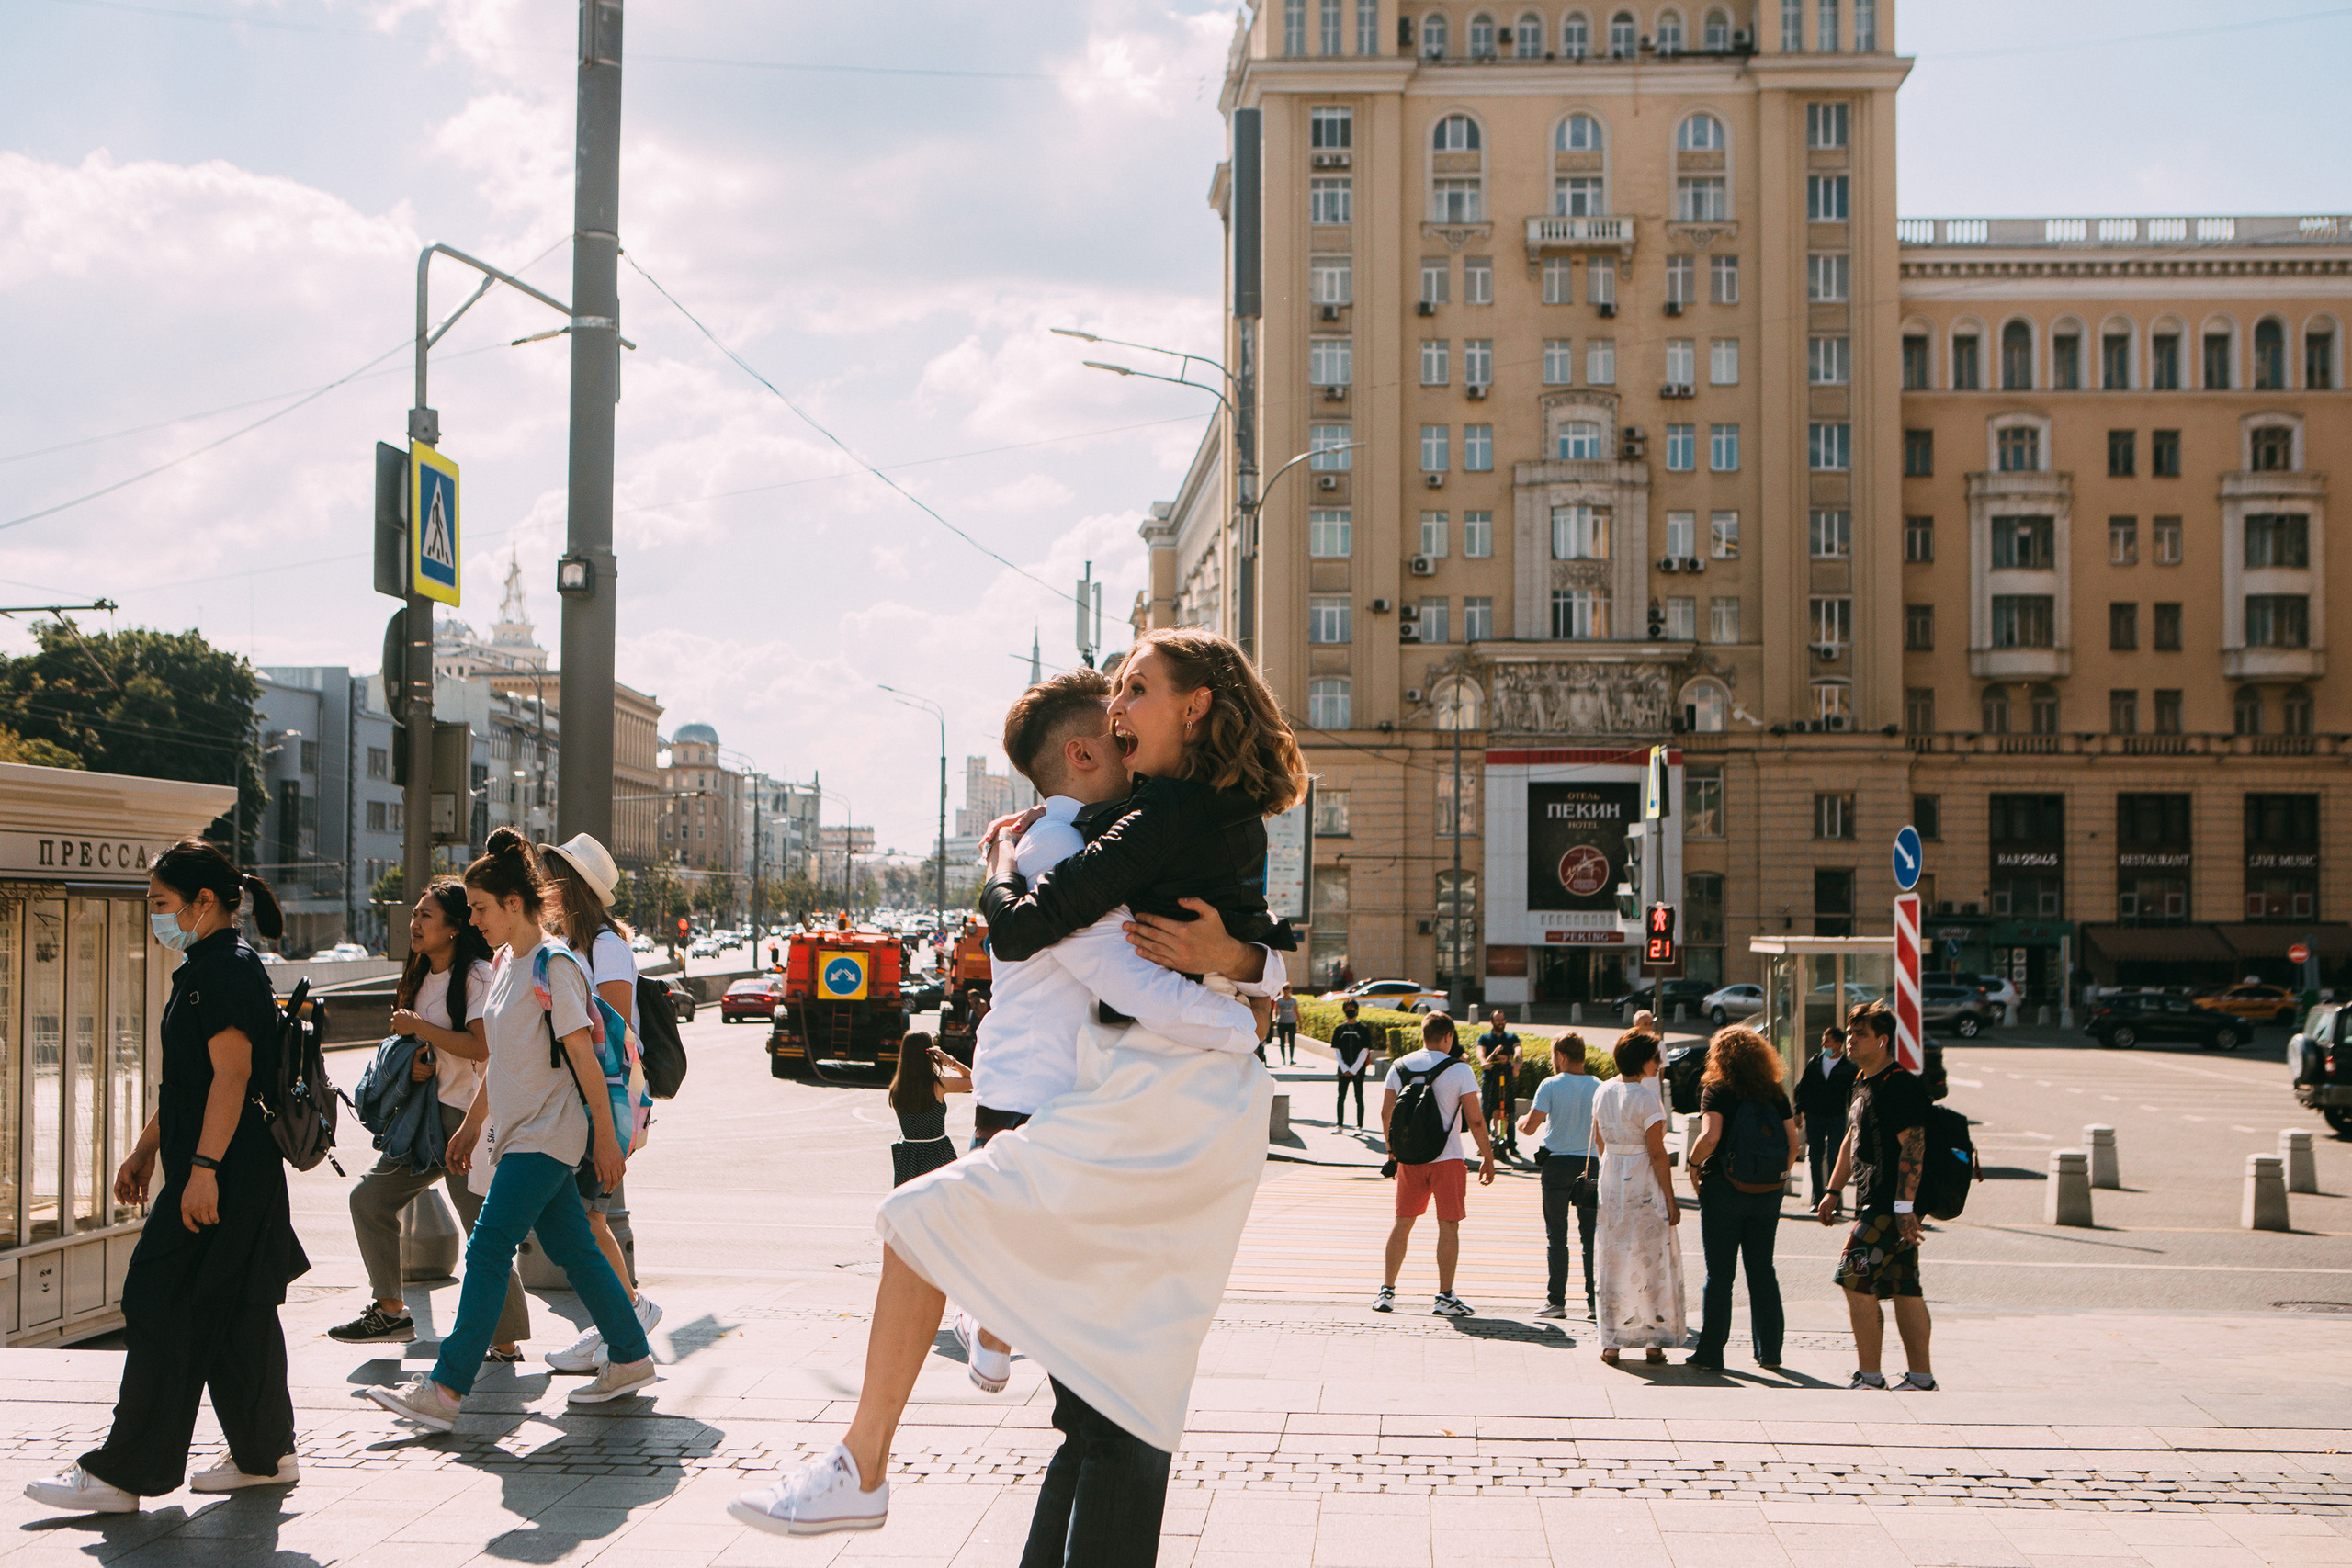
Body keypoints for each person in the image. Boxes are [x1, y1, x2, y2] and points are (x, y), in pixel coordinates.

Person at [729, 634, 1303, 1566]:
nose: (1121, 713)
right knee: (1111, 1394)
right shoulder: (1179, 817)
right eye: (1115, 698)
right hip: (1162, 1105)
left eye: (1138, 693)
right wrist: (1245, 975)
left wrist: (1005, 860)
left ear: (1194, 706)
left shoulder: (1150, 819)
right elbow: (1253, 947)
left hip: (1162, 1107)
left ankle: (863, 1464)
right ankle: (883, 1445)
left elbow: (1047, 930)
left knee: (1069, 1351)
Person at [26, 842, 305, 1514]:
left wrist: (202, 1169)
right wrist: (148, 1148)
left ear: (201, 901)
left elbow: (233, 1076)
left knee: (156, 1297)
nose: (154, 914)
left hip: (224, 1172)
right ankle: (267, 1454)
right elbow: (192, 1082)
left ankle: (124, 1473)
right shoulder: (208, 966)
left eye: (158, 901)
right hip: (222, 1167)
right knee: (237, 1309)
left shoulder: (226, 970)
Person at [367, 829, 656, 1432]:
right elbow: (500, 1060)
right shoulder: (503, 964)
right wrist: (473, 1125)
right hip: (519, 1132)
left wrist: (605, 1138)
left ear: (516, 904)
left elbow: (583, 1058)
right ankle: (630, 1354)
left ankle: (446, 1389)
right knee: (576, 1250)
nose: (473, 920)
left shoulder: (554, 965)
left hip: (549, 1135)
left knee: (488, 1246)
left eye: (480, 908)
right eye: (470, 909)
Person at [328, 883, 529, 1359]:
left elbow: (482, 1048)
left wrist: (420, 1028)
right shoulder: (419, 975)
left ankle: (505, 1341)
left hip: (466, 1120)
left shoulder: (478, 976)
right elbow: (427, 1045)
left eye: (427, 916)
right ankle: (391, 1310)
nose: (415, 924)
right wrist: (416, 1060)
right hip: (423, 1120)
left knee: (481, 1230)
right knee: (369, 1200)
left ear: (456, 928)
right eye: (415, 914)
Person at [534, 833, 663, 1374]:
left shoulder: (607, 947)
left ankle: (627, 1313)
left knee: (584, 1217)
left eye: (551, 877)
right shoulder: (580, 947)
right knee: (585, 1216)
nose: (543, 886)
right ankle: (621, 1316)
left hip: (605, 1100)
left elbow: (608, 1028)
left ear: (573, 887)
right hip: (587, 1099)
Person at [1818, 1006, 1936, 1391]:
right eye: (1850, 1032)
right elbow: (1852, 1139)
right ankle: (1920, 1378)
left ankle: (1869, 1377)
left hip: (1889, 1204)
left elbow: (1914, 1149)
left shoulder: (1898, 1084)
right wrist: (1833, 1190)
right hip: (1877, 1201)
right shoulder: (1862, 1080)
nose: (1850, 1039)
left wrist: (1904, 1208)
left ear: (1882, 1040)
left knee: (1853, 1279)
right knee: (1905, 1288)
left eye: (1860, 1034)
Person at [1684, 1027, 1802, 1371]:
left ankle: (1710, 1352)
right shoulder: (1775, 1092)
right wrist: (1772, 1177)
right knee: (1762, 1270)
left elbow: (1710, 1137)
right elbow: (1793, 1146)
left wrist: (1693, 1166)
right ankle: (1770, 1352)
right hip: (1768, 1194)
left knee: (1719, 1275)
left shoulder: (1716, 1090)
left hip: (1724, 1188)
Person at [1376, 1012, 1495, 1318]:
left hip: (1409, 1159)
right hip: (1448, 1158)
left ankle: (1386, 1292)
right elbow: (1476, 1119)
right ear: (1449, 1037)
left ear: (1423, 1035)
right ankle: (1444, 1297)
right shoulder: (1460, 1070)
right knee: (1448, 1225)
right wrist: (1488, 1156)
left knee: (1403, 1222)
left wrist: (1393, 1153)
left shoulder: (1400, 1066)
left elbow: (1386, 1114)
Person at [1591, 1031, 1685, 1365]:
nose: (1659, 1064)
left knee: (1613, 1257)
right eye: (1654, 1057)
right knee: (1650, 1257)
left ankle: (1612, 1341)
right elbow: (1658, 1153)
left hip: (1612, 1176)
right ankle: (1652, 1340)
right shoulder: (1647, 1099)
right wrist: (1671, 1199)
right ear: (1641, 1060)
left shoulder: (1602, 1090)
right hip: (1642, 1179)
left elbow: (1600, 1138)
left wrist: (1612, 1165)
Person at [1520, 1032, 1600, 1320]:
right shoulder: (1599, 1086)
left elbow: (1530, 1127)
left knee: (1557, 1235)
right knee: (1590, 1237)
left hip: (1557, 1167)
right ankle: (1594, 1304)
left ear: (1562, 1056)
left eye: (1555, 1056)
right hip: (1591, 1166)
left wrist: (1519, 1122)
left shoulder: (1550, 1085)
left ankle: (1556, 1302)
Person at [888, 1032, 971, 1187]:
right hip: (938, 1153)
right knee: (941, 1205)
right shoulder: (938, 1085)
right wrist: (951, 1061)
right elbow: (974, 1080)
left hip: (908, 1158)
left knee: (911, 1206)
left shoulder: (897, 1089)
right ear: (930, 1054)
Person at [1794, 1024, 1856, 1205]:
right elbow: (1803, 1089)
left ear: (1838, 1044)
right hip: (1815, 1116)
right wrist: (1799, 1111)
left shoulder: (1848, 1067)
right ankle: (1817, 1198)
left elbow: (1853, 1095)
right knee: (1815, 1156)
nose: (1823, 1043)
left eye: (1827, 1040)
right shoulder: (1814, 1063)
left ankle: (1835, 1199)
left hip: (1836, 1116)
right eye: (1823, 1040)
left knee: (1835, 1157)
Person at [1476, 1010, 1522, 1159]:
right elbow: (1480, 1052)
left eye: (1502, 1019)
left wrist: (1518, 1062)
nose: (1501, 1022)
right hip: (1491, 1080)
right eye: (1497, 1020)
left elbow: (1518, 1049)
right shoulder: (1485, 1038)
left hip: (1506, 1079)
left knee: (1509, 1113)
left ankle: (1511, 1145)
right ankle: (1484, 1146)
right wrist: (1484, 1062)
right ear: (1491, 1022)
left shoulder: (1511, 1037)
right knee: (1487, 1113)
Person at [1330, 999, 1376, 1129]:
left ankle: (1359, 1126)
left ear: (1357, 1010)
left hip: (1358, 1070)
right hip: (1343, 1069)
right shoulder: (1339, 1029)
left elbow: (1365, 1050)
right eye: (1347, 1008)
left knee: (1359, 1097)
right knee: (1341, 1097)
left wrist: (1354, 1069)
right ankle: (1339, 1125)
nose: (1350, 1010)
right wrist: (1344, 1068)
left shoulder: (1363, 1029)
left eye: (1352, 1008)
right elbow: (1337, 1050)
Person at [1272, 988, 1300, 1065]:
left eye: (1287, 988)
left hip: (1291, 1022)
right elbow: (1275, 1010)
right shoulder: (1279, 1000)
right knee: (1282, 1041)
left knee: (1291, 1041)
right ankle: (1284, 1059)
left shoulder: (1293, 1000)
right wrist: (1274, 1018)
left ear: (1290, 990)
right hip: (1282, 1022)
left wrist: (1300, 1023)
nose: (1286, 990)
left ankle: (1291, 1058)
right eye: (1284, 988)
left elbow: (1296, 1011)